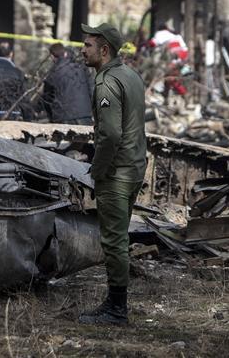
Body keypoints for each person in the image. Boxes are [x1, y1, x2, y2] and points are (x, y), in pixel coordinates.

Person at [77, 23, 146, 326]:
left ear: (104, 50)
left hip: (117, 172)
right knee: (119, 238)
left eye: (88, 45)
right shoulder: (131, 76)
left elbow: (110, 134)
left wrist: (98, 171)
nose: (83, 49)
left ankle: (117, 309)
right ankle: (116, 303)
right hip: (134, 168)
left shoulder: (106, 83)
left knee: (114, 241)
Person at [41, 43, 93, 125]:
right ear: (65, 53)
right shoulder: (81, 68)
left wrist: (51, 118)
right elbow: (92, 89)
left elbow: (47, 99)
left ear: (52, 56)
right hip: (85, 115)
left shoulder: (52, 74)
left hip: (63, 117)